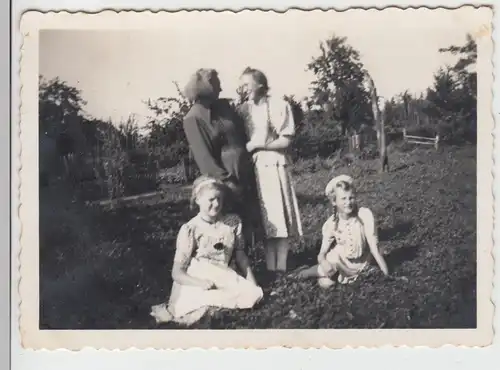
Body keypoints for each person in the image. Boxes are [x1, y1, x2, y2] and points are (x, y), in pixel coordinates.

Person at [150, 175, 264, 326]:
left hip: (224, 274)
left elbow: (240, 255)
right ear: (197, 200)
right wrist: (199, 283)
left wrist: (251, 281)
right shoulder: (191, 229)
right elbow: (177, 273)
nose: (216, 204)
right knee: (200, 305)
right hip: (197, 277)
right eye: (211, 200)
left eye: (219, 199)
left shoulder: (232, 223)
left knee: (252, 295)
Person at [182, 68, 264, 250]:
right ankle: (236, 260)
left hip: (245, 167)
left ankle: (256, 258)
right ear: (205, 86)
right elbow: (204, 158)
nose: (220, 88)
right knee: (231, 218)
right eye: (217, 84)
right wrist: (226, 181)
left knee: (253, 215)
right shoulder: (193, 117)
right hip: (227, 172)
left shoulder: (224, 108)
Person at [238, 67, 303, 277]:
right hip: (254, 169)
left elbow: (287, 139)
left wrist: (261, 146)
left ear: (260, 84)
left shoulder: (279, 105)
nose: (243, 88)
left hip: (275, 164)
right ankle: (269, 267)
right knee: (266, 217)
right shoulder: (242, 110)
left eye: (246, 84)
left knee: (280, 214)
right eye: (241, 85)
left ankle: (281, 267)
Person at [294, 175, 389, 288]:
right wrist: (323, 261)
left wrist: (387, 275)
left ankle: (323, 276)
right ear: (334, 202)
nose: (348, 202)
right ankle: (303, 273)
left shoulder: (364, 216)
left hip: (362, 264)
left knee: (327, 283)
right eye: (343, 199)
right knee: (326, 279)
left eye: (351, 197)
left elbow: (375, 249)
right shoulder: (331, 224)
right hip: (339, 262)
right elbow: (322, 253)